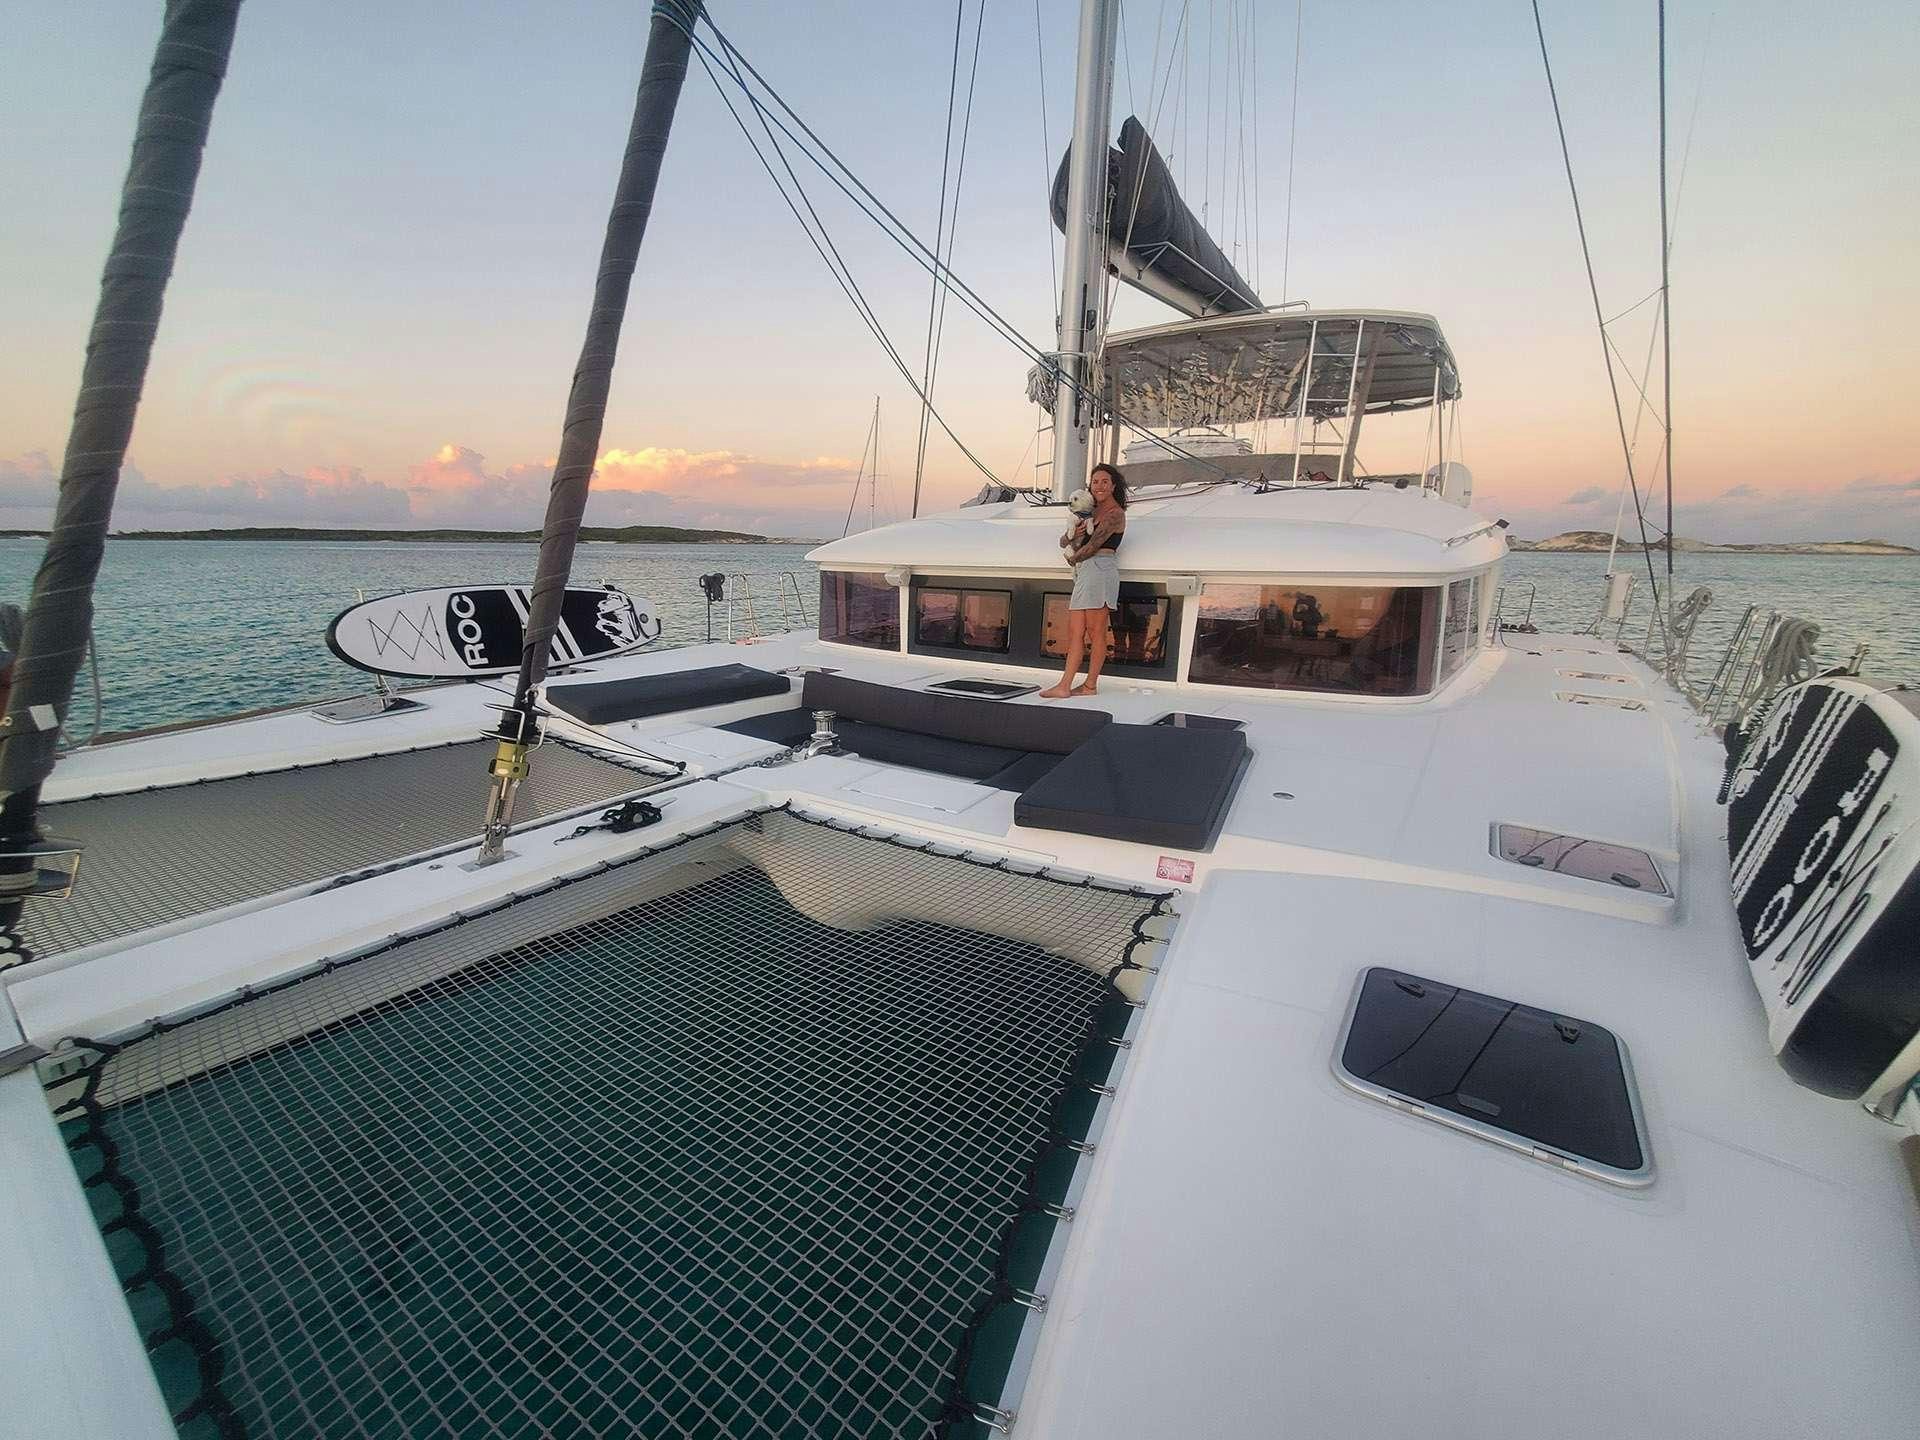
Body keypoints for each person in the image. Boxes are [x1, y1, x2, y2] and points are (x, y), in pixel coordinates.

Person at [1040, 462, 1128, 698]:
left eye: (1104, 481)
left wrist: (1072, 559)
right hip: (1086, 571)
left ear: (1113, 486)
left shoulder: (1115, 514)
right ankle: (1064, 685)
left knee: (1096, 632)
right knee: (1075, 631)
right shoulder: (1090, 511)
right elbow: (1064, 541)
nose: (1099, 486)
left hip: (1099, 569)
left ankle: (1090, 685)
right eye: (1095, 481)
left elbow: (1094, 545)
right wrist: (1072, 536)